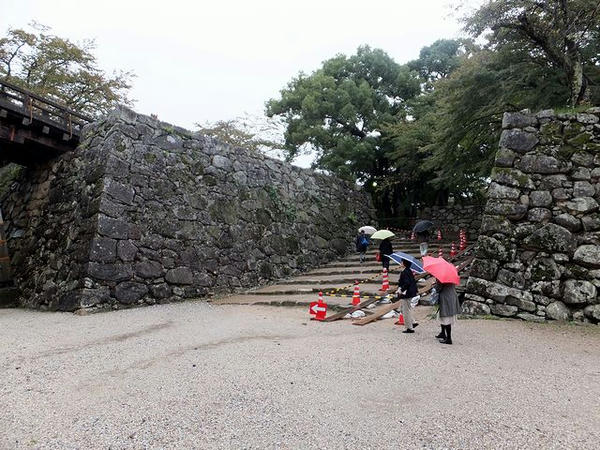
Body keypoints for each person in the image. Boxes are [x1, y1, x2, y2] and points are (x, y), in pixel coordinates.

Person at [396, 259, 419, 333]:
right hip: (410, 292)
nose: (400, 263)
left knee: (406, 310)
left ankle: (409, 328)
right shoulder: (408, 270)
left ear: (404, 263)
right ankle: (413, 322)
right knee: (406, 309)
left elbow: (406, 283)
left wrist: (401, 290)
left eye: (402, 262)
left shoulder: (404, 272)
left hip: (406, 293)